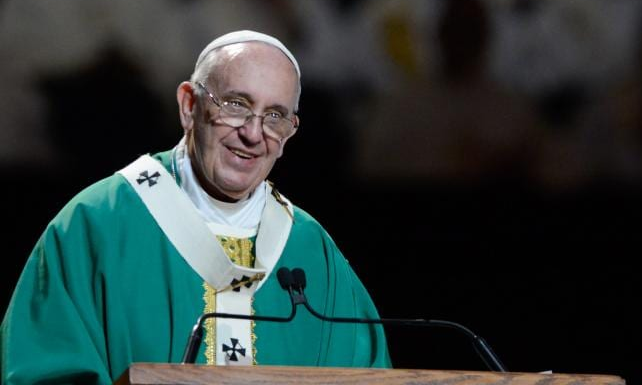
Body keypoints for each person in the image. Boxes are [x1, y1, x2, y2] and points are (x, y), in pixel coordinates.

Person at [0, 30, 391, 384]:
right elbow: (44, 370)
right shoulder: (97, 224)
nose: (253, 135)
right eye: (236, 104)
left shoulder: (311, 249)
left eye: (275, 116)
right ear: (189, 106)